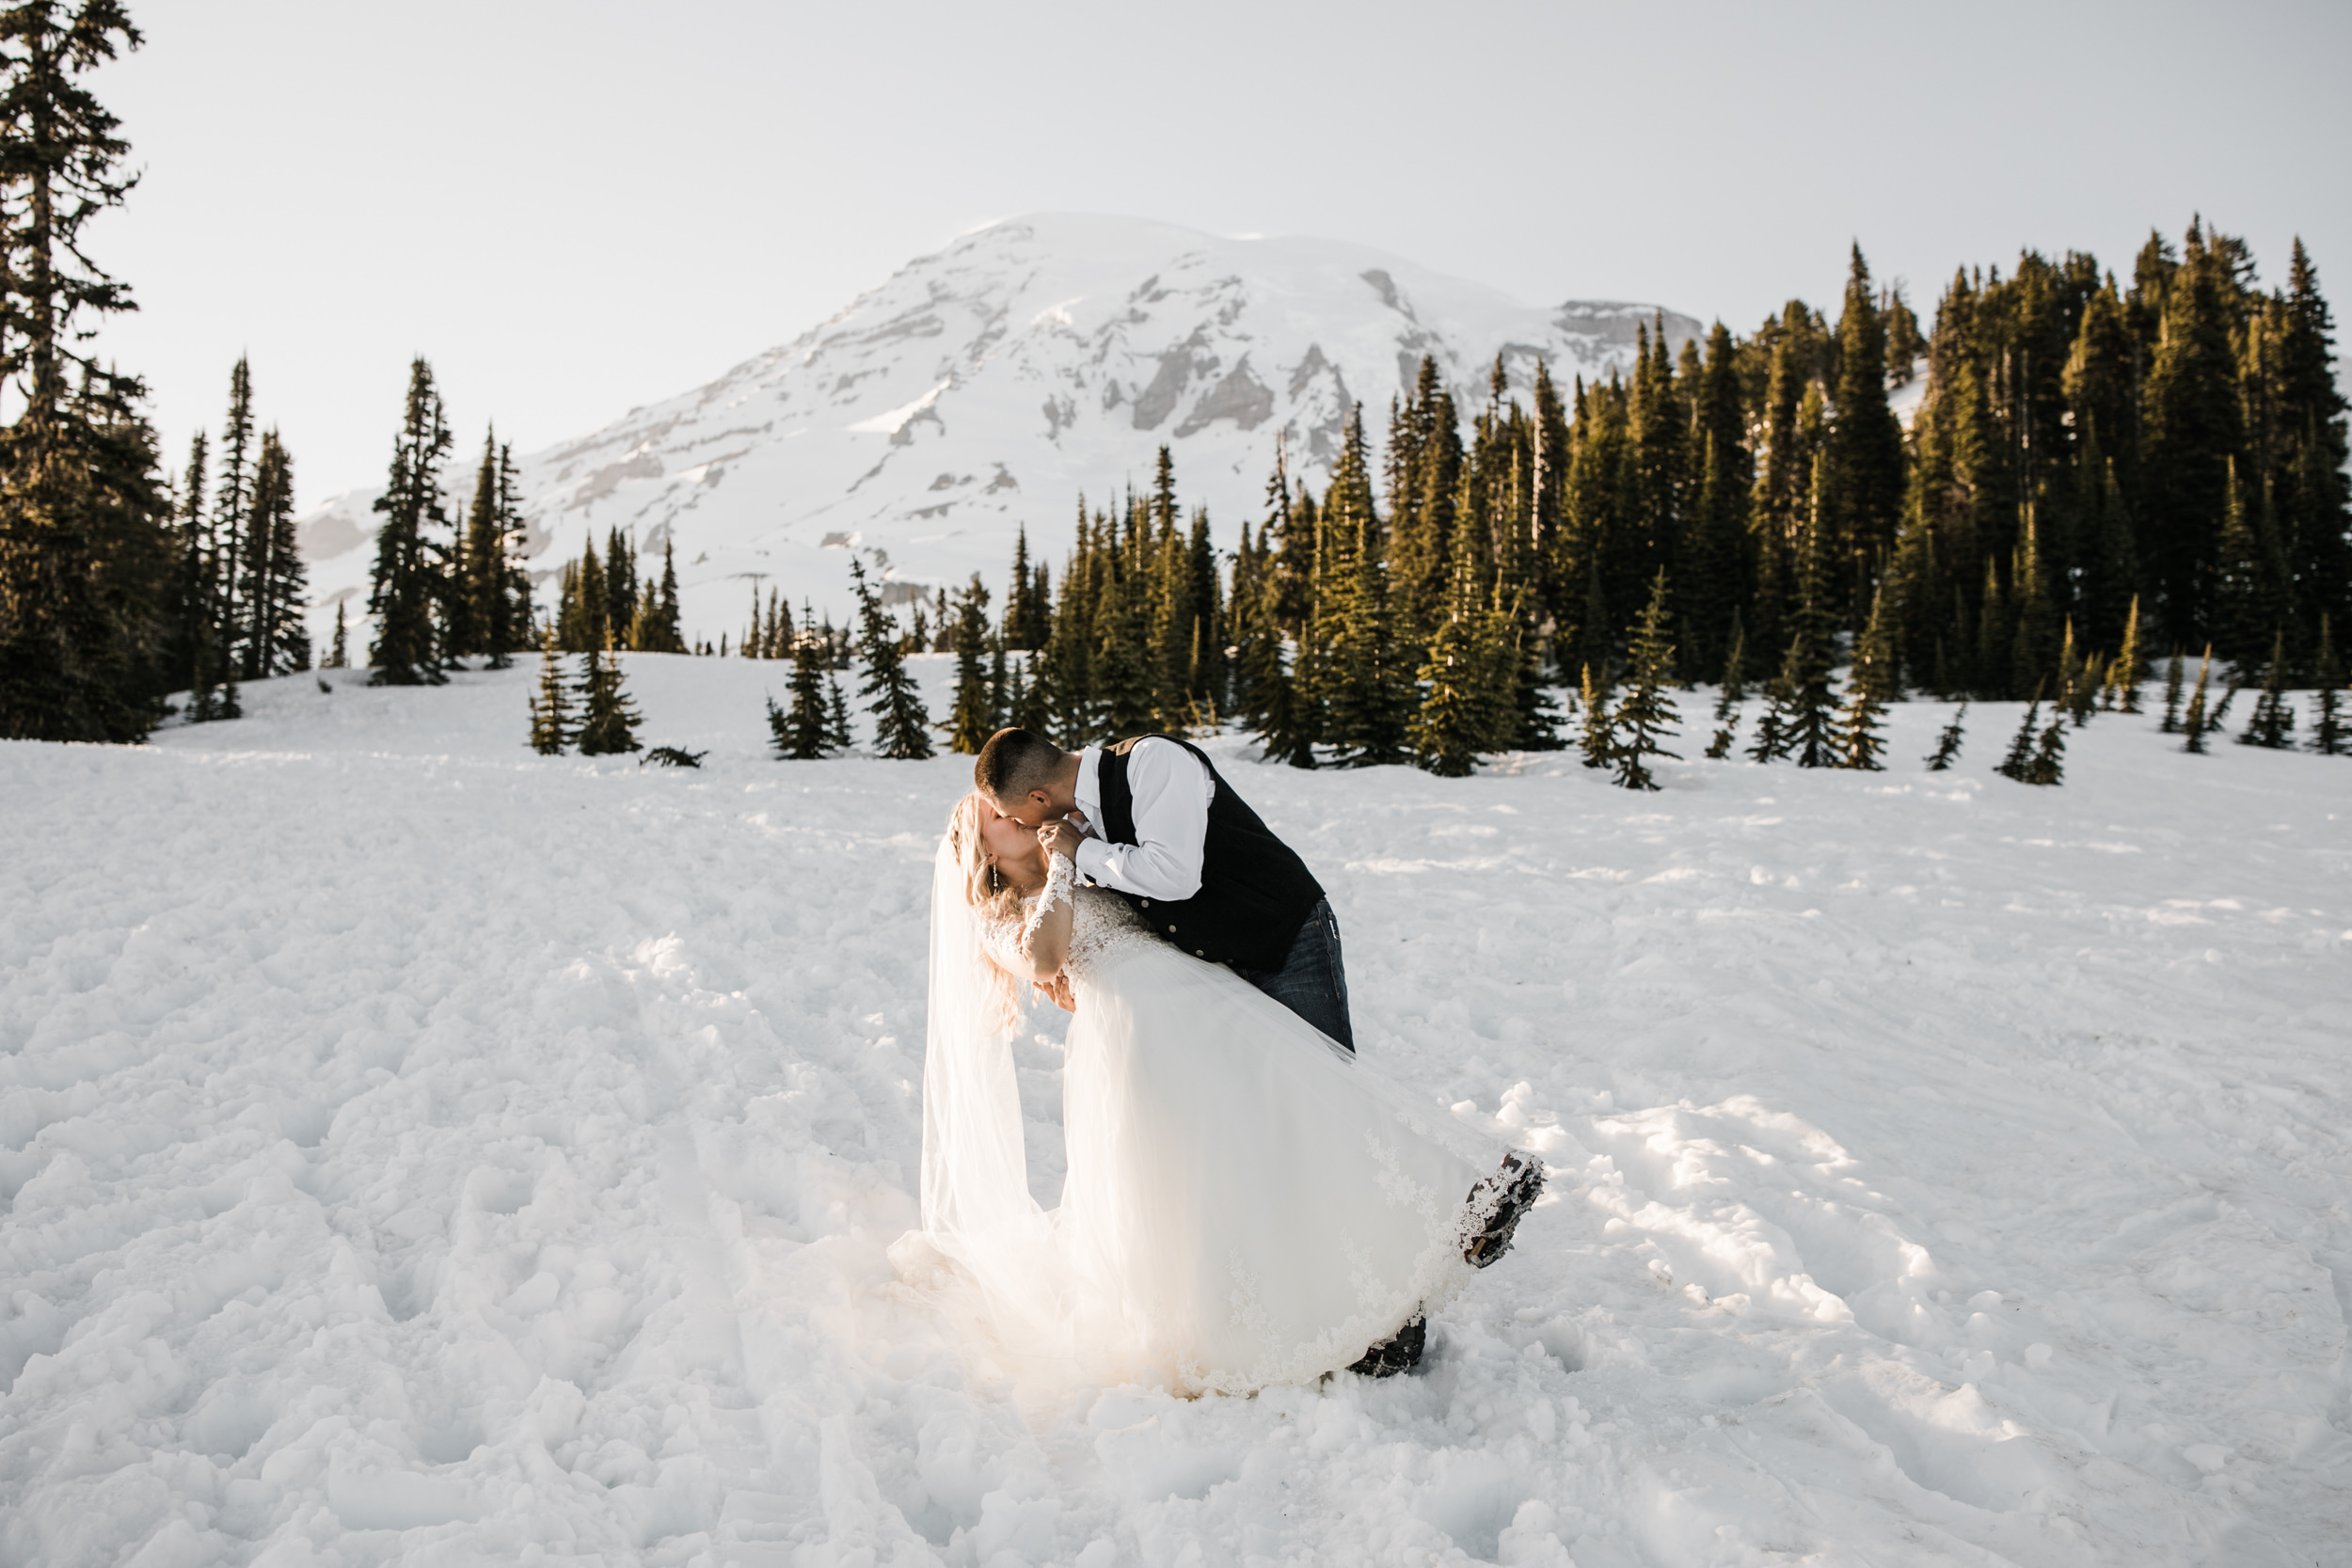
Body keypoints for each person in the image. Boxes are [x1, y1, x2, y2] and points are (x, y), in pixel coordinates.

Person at [898, 789, 1544, 1396]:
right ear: (978, 847)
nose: (1005, 810)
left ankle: (1463, 1199)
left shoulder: (1082, 868)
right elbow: (1042, 959)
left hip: (1206, 1000)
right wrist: (1063, 862)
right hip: (1144, 1037)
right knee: (1217, 1180)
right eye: (989, 812)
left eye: (1003, 802)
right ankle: (1302, 1322)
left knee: (1305, 1106)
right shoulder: (1000, 917)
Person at [975, 727, 1353, 1050]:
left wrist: (1080, 850)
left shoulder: (1151, 762)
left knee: (1326, 1080)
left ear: (1039, 798)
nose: (1018, 823)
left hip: (1284, 937)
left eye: (1011, 814)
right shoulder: (1078, 819)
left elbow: (1174, 875)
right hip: (1217, 973)